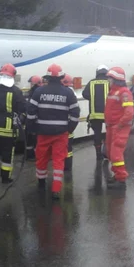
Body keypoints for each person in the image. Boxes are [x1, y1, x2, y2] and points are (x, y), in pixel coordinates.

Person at [28, 63, 80, 200]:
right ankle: (56, 189)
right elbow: (75, 113)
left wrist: (32, 129)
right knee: (58, 160)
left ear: (47, 77)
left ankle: (41, 184)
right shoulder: (68, 92)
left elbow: (31, 113)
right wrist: (70, 129)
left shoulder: (38, 92)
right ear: (61, 77)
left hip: (43, 132)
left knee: (41, 157)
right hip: (61, 133)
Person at [0, 64, 25, 184]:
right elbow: (21, 108)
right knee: (7, 153)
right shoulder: (16, 91)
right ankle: (5, 177)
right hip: (7, 128)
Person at [104, 66, 134, 187]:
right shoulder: (113, 91)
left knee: (116, 153)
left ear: (116, 79)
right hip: (112, 127)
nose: (108, 81)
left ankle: (121, 179)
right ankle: (117, 175)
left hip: (119, 127)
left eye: (110, 79)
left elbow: (129, 112)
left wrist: (119, 125)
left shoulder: (124, 92)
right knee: (110, 153)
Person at [82, 64, 110, 160]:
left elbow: (84, 94)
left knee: (97, 134)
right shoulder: (109, 82)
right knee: (109, 133)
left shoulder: (91, 82)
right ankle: (106, 153)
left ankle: (98, 155)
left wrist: (93, 98)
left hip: (95, 115)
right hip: (108, 114)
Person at [25, 75, 43, 157]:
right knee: (35, 139)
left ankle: (30, 155)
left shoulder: (33, 93)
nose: (30, 85)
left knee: (31, 139)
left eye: (31, 83)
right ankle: (36, 155)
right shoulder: (40, 92)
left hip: (31, 119)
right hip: (36, 119)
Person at [62, 74, 75, 173]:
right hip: (69, 124)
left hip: (61, 125)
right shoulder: (71, 93)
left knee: (62, 147)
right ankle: (68, 166)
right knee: (68, 147)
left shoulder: (61, 92)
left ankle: (64, 165)